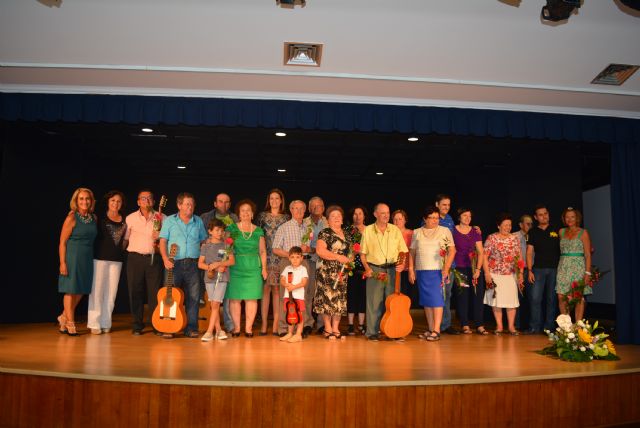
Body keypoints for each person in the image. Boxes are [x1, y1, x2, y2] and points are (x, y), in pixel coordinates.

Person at [159, 192, 208, 338]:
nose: (190, 207)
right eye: (187, 204)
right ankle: (169, 328)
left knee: (193, 297)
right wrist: (165, 259)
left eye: (192, 204)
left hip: (193, 264)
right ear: (179, 205)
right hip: (173, 264)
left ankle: (191, 328)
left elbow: (203, 241)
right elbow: (163, 241)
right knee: (171, 296)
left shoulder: (198, 221)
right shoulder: (169, 221)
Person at [360, 203, 408, 341]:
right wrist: (367, 268)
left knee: (393, 303)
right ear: (375, 214)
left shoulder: (395, 230)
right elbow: (362, 254)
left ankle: (393, 332)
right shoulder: (368, 230)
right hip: (375, 270)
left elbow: (403, 251)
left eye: (387, 212)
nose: (386, 215)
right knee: (374, 303)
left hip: (393, 271)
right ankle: (372, 332)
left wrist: (402, 264)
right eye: (383, 213)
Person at [408, 206, 456, 342]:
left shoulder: (445, 231)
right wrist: (411, 269)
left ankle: (437, 330)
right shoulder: (417, 232)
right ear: (425, 219)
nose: (435, 220)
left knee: (437, 300)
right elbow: (412, 252)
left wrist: (446, 267)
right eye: (432, 218)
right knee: (427, 301)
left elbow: (452, 251)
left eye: (437, 218)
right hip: (422, 270)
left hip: (437, 271)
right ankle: (430, 329)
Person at [57, 188, 98, 336]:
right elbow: (62, 242)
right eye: (81, 198)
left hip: (87, 257)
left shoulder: (93, 218)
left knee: (82, 290)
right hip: (72, 257)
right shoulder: (71, 218)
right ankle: (70, 322)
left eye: (87, 198)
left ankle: (63, 316)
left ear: (91, 201)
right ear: (76, 201)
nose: (84, 201)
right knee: (71, 290)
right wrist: (63, 262)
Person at [124, 190, 165, 336]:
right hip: (135, 259)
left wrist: (159, 237)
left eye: (149, 198)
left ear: (153, 201)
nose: (146, 201)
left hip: (154, 258)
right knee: (135, 292)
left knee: (154, 293)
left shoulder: (162, 217)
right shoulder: (130, 218)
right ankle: (137, 325)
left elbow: (167, 240)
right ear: (138, 202)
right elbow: (125, 239)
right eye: (143, 198)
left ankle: (156, 325)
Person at [225, 199, 268, 337]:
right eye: (242, 211)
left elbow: (262, 251)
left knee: (252, 298)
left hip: (253, 267)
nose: (245, 213)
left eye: (248, 210)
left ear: (252, 214)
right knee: (235, 298)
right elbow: (227, 248)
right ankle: (237, 329)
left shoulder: (258, 231)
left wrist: (264, 268)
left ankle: (248, 329)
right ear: (239, 214)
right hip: (235, 266)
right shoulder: (233, 229)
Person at [87, 190, 126, 335]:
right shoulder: (99, 217)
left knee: (111, 293)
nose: (115, 203)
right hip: (100, 259)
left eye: (118, 201)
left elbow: (124, 241)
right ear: (108, 202)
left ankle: (105, 322)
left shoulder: (125, 220)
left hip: (117, 261)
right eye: (113, 200)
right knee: (97, 292)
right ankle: (94, 323)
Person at [272, 200, 312, 336]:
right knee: (287, 295)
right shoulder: (284, 227)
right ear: (291, 210)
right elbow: (275, 248)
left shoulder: (308, 228)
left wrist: (308, 249)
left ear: (305, 211)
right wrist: (292, 256)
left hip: (304, 263)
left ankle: (301, 327)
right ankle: (284, 327)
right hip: (288, 264)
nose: (299, 211)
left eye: (301, 209)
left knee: (303, 295)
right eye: (296, 208)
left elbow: (313, 249)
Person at [200, 192, 238, 333]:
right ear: (215, 203)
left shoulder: (234, 218)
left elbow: (234, 240)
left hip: (225, 262)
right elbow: (202, 238)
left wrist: (221, 263)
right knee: (214, 301)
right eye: (221, 201)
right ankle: (216, 329)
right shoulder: (205, 217)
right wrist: (212, 265)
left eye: (227, 202)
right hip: (210, 264)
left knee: (224, 299)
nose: (224, 204)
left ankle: (225, 326)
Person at [314, 205, 353, 340]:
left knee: (339, 300)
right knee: (327, 299)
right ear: (328, 220)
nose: (336, 218)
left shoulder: (347, 234)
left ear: (342, 219)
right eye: (333, 216)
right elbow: (320, 251)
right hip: (326, 271)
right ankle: (327, 328)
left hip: (342, 272)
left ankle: (335, 328)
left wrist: (350, 259)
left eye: (338, 216)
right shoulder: (325, 233)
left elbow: (351, 253)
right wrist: (338, 257)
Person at [483, 213, 524, 335]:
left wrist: (521, 273)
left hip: (510, 274)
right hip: (495, 273)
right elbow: (484, 257)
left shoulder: (514, 238)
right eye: (505, 225)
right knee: (497, 301)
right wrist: (486, 273)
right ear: (498, 226)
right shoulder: (492, 238)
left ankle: (511, 327)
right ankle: (499, 326)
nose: (508, 227)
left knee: (511, 301)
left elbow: (519, 257)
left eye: (509, 225)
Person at [256, 189, 290, 336]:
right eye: (271, 198)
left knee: (277, 290)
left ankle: (276, 324)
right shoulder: (262, 216)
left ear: (281, 201)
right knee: (265, 290)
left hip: (280, 258)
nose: (274, 201)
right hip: (264, 257)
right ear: (268, 200)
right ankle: (264, 324)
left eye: (277, 198)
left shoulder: (287, 217)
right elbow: (257, 235)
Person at [451, 208, 487, 335]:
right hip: (459, 269)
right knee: (463, 296)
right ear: (459, 217)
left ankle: (479, 324)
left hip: (473, 268)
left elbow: (481, 252)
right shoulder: (452, 230)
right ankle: (465, 324)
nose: (467, 218)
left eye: (469, 216)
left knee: (478, 296)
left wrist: (478, 269)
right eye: (464, 215)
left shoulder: (475, 231)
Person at [526, 205, 560, 334]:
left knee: (551, 299)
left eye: (545, 213)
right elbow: (529, 252)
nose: (544, 216)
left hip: (555, 269)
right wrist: (530, 270)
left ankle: (549, 327)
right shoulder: (533, 232)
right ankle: (535, 326)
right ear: (536, 217)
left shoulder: (557, 229)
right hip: (538, 269)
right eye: (540, 214)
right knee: (535, 298)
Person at [556, 207, 592, 321]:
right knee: (561, 296)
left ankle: (577, 326)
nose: (570, 219)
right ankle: (566, 326)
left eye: (572, 217)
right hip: (563, 268)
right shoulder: (561, 232)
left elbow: (588, 254)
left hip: (578, 268)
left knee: (578, 297)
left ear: (577, 218)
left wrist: (587, 273)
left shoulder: (583, 232)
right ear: (564, 219)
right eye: (567, 217)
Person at [434, 194, 460, 335]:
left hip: (450, 264)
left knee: (447, 294)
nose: (446, 207)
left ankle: (446, 324)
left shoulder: (449, 219)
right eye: (444, 204)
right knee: (437, 294)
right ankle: (436, 325)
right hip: (435, 263)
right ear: (437, 204)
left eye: (448, 205)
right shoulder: (431, 218)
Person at [304, 196, 328, 335]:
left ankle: (321, 324)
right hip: (309, 261)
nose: (316, 208)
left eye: (319, 206)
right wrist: (313, 250)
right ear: (309, 208)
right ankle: (307, 323)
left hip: (325, 262)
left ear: (323, 208)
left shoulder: (328, 222)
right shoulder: (304, 222)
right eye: (313, 206)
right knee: (308, 293)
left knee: (323, 293)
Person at [345, 205, 367, 335]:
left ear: (364, 216)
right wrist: (352, 251)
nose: (357, 216)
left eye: (360, 213)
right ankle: (350, 324)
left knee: (363, 295)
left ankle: (361, 324)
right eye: (355, 214)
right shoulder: (347, 230)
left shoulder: (370, 230)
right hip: (351, 267)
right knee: (351, 295)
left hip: (366, 267)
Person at [279, 246, 308, 343]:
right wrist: (286, 284)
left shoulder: (303, 269)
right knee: (290, 314)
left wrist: (294, 287)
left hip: (298, 297)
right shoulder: (287, 268)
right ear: (289, 258)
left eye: (297, 257)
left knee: (299, 315)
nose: (295, 259)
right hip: (288, 297)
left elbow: (304, 282)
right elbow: (282, 279)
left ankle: (298, 334)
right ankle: (290, 333)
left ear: (302, 258)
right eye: (292, 257)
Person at [392, 209, 418, 308]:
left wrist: (413, 269)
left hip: (408, 270)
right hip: (393, 270)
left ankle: (405, 316)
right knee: (394, 296)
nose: (397, 221)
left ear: (405, 220)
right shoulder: (389, 234)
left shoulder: (411, 233)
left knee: (406, 296)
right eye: (395, 219)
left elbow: (415, 253)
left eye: (400, 219)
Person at [514, 214, 533, 331]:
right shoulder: (514, 236)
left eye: (531, 224)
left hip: (531, 270)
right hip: (518, 271)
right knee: (517, 298)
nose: (530, 226)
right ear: (521, 225)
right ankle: (516, 325)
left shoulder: (534, 235)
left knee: (532, 298)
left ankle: (531, 326)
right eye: (527, 223)